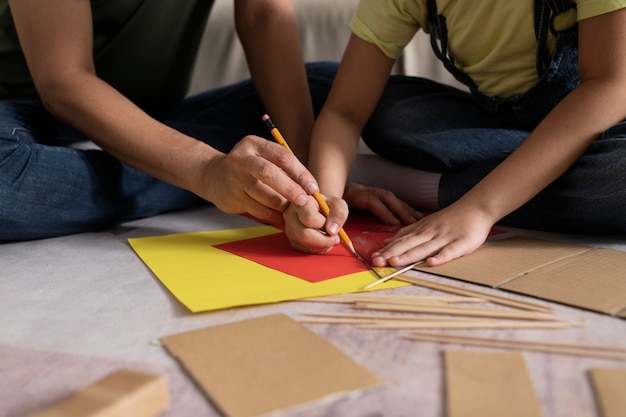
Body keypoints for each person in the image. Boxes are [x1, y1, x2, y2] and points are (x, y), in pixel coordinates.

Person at [283, 0, 626, 267]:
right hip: (502, 127)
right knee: (393, 113)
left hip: (606, 126)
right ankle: (524, 171)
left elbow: (611, 85)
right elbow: (346, 110)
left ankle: (436, 188)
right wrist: (325, 194)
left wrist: (477, 209)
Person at [0, 0, 338, 241]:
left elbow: (264, 11)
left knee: (329, 86)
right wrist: (206, 170)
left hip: (156, 119)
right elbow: (64, 81)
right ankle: (211, 173)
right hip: (23, 116)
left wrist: (305, 178)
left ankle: (219, 169)